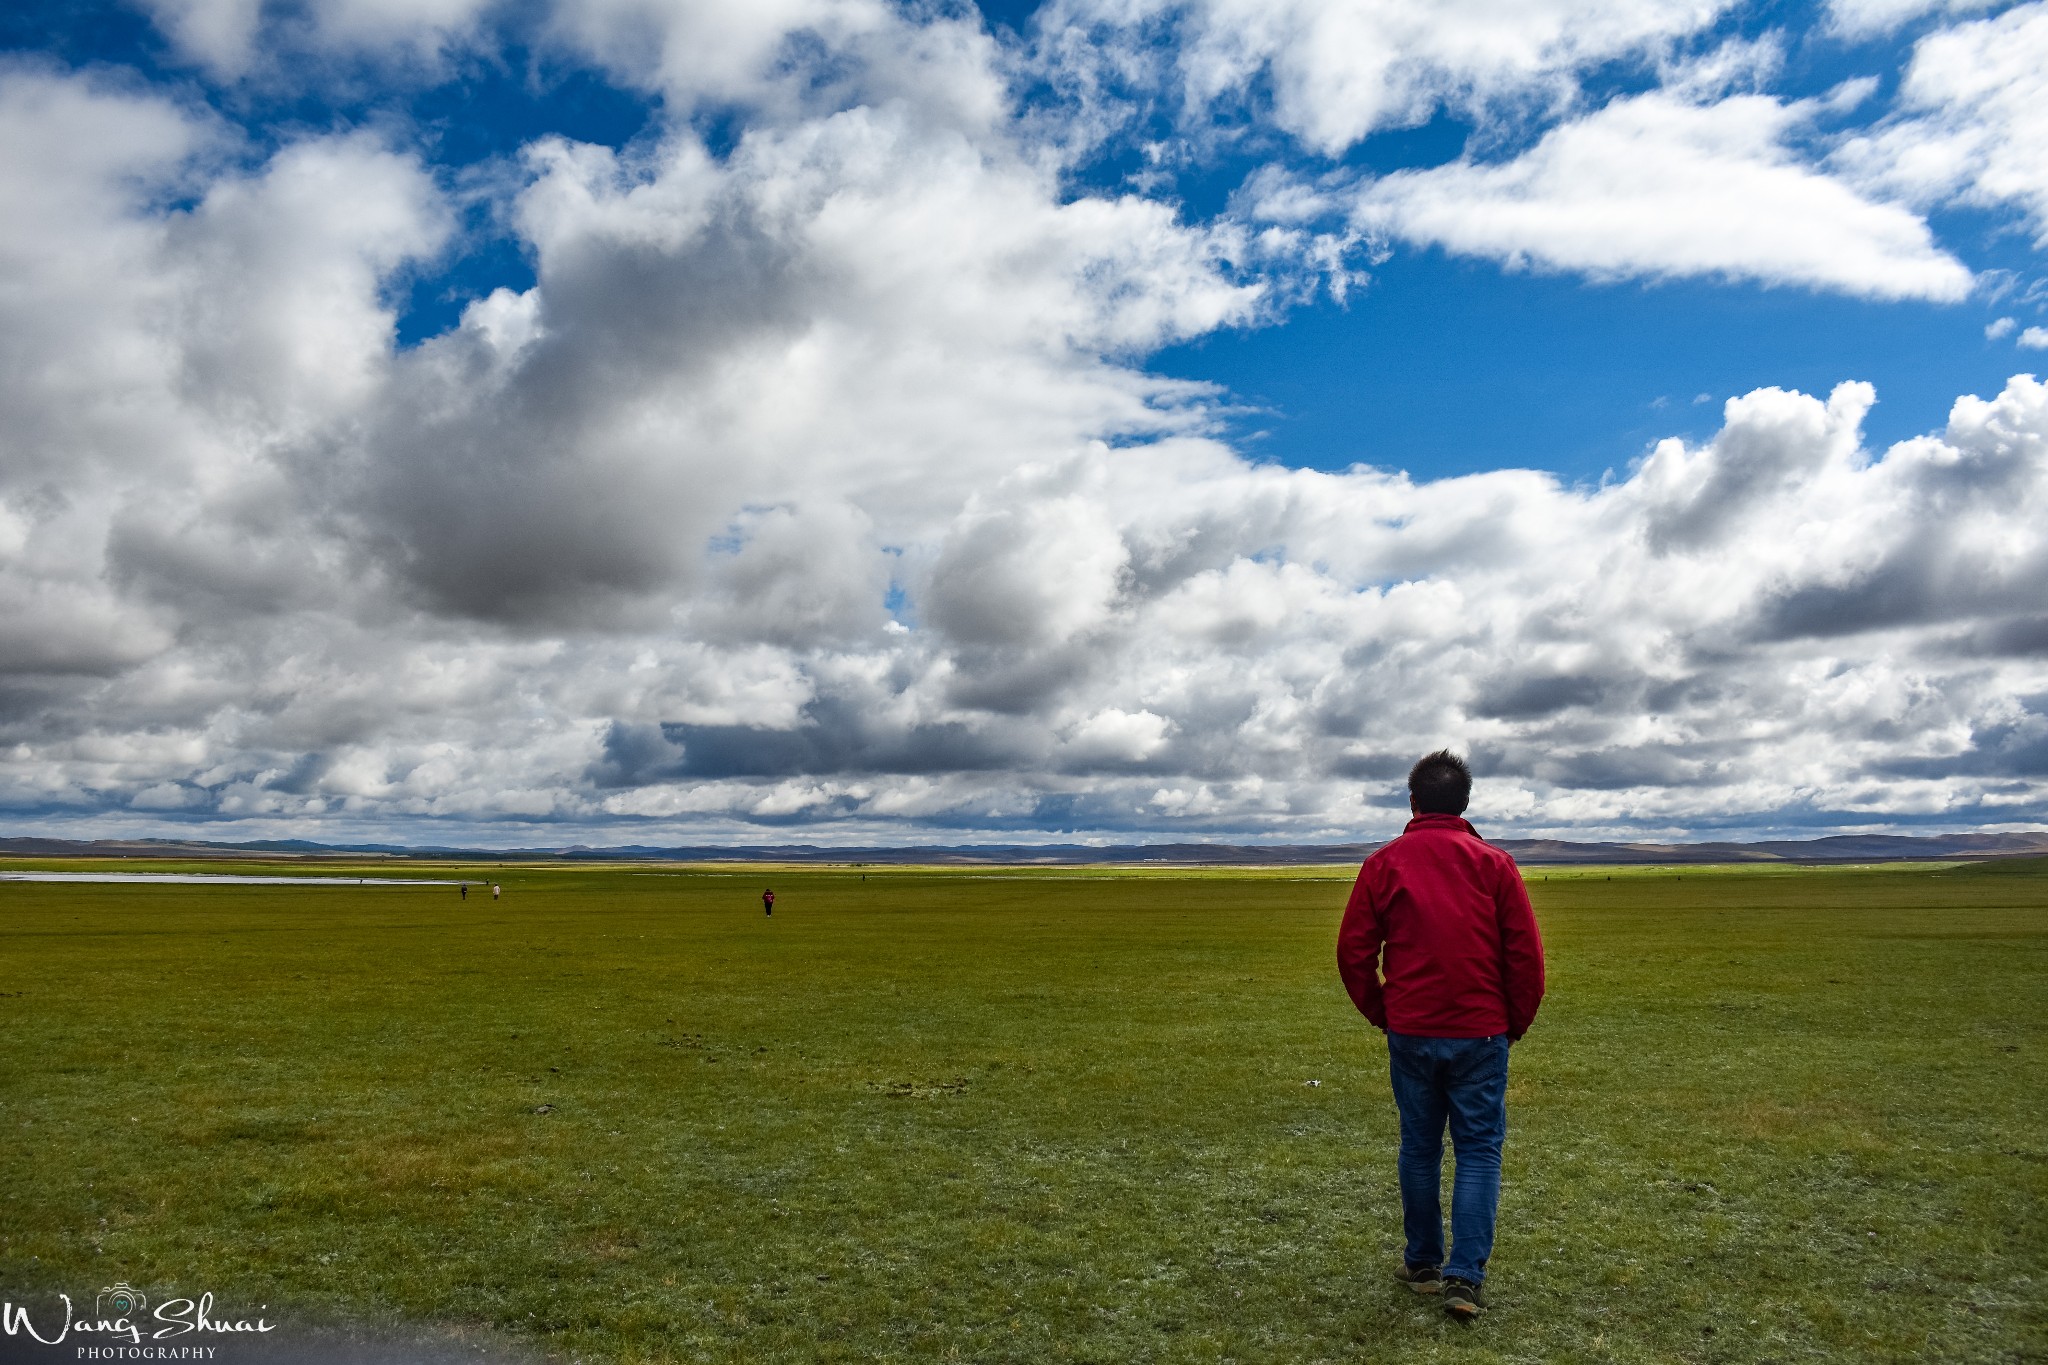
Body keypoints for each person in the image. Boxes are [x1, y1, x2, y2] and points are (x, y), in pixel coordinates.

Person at [1337, 750, 1545, 1321]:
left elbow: (1353, 951)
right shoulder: (1495, 864)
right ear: (1465, 803)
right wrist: (1512, 1022)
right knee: (1478, 1151)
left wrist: (1384, 1010)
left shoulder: (1385, 864)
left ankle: (1424, 1264)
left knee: (1420, 1148)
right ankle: (1464, 1278)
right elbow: (1525, 956)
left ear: (1413, 802)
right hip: (1480, 1032)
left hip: (1411, 1029)